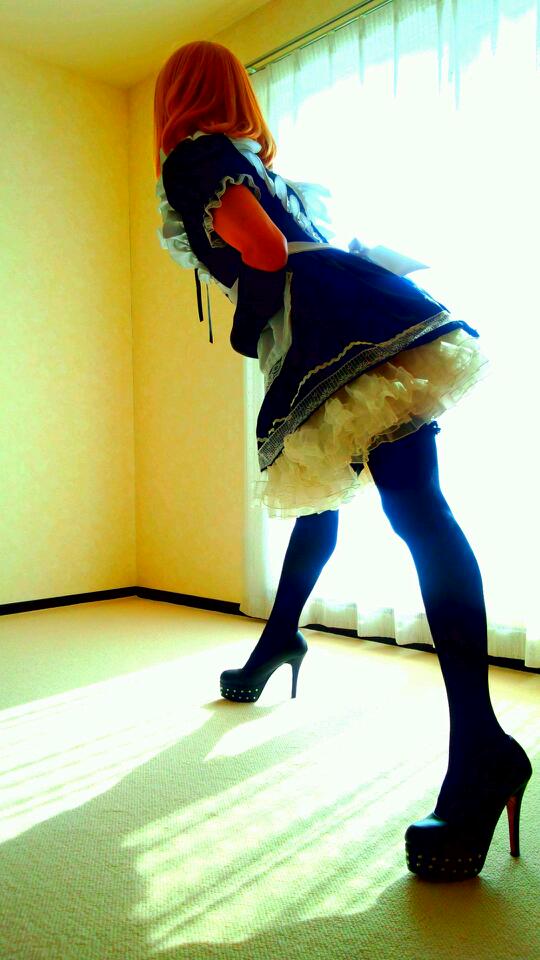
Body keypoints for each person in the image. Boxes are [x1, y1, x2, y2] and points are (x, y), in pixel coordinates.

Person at [153, 40, 532, 882]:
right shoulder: (253, 163)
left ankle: (481, 746)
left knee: (416, 511)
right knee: (345, 495)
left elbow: (264, 253)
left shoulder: (192, 158)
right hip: (358, 315)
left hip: (338, 335)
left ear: (174, 97)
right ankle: (279, 640)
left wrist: (248, 327)